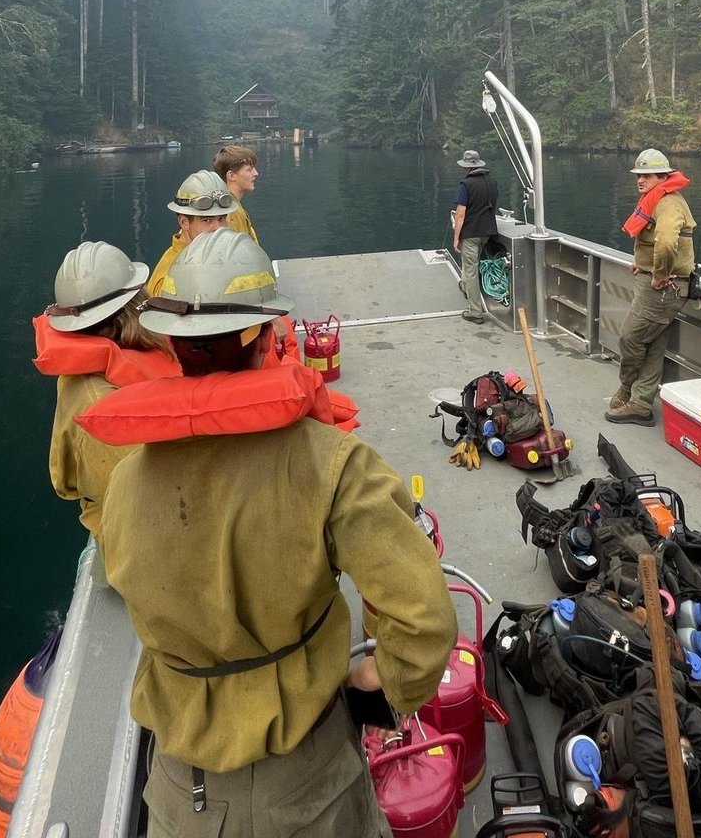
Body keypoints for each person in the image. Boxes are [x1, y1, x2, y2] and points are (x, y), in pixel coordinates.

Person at [86, 229, 457, 837]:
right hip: (308, 789)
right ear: (263, 335)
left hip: (182, 792)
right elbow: (423, 621)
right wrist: (384, 687)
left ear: (174, 348)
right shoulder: (334, 463)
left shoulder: (125, 483)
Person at [33, 241, 179, 538]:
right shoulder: (100, 407)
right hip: (141, 536)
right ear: (134, 307)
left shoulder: (109, 363)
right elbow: (150, 506)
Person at [604, 148, 696, 426]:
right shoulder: (658, 200)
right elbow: (652, 241)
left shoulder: (668, 203)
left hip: (664, 287)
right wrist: (642, 263)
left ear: (663, 177)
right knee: (654, 345)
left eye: (647, 176)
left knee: (630, 337)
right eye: (638, 175)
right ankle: (641, 403)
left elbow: (667, 243)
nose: (641, 181)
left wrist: (658, 273)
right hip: (657, 282)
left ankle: (627, 388)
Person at [146, 169, 237, 296]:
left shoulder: (221, 256)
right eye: (207, 220)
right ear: (184, 222)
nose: (219, 228)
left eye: (221, 218)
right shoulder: (169, 277)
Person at [452, 148, 499, 324]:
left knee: (471, 270)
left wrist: (457, 237)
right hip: (487, 232)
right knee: (472, 263)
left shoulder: (466, 185)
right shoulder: (492, 181)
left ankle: (475, 312)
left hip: (471, 233)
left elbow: (460, 214)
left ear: (466, 167)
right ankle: (465, 286)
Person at [214, 144, 259, 242]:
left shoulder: (231, 207)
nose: (256, 173)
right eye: (249, 169)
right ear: (231, 176)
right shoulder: (232, 212)